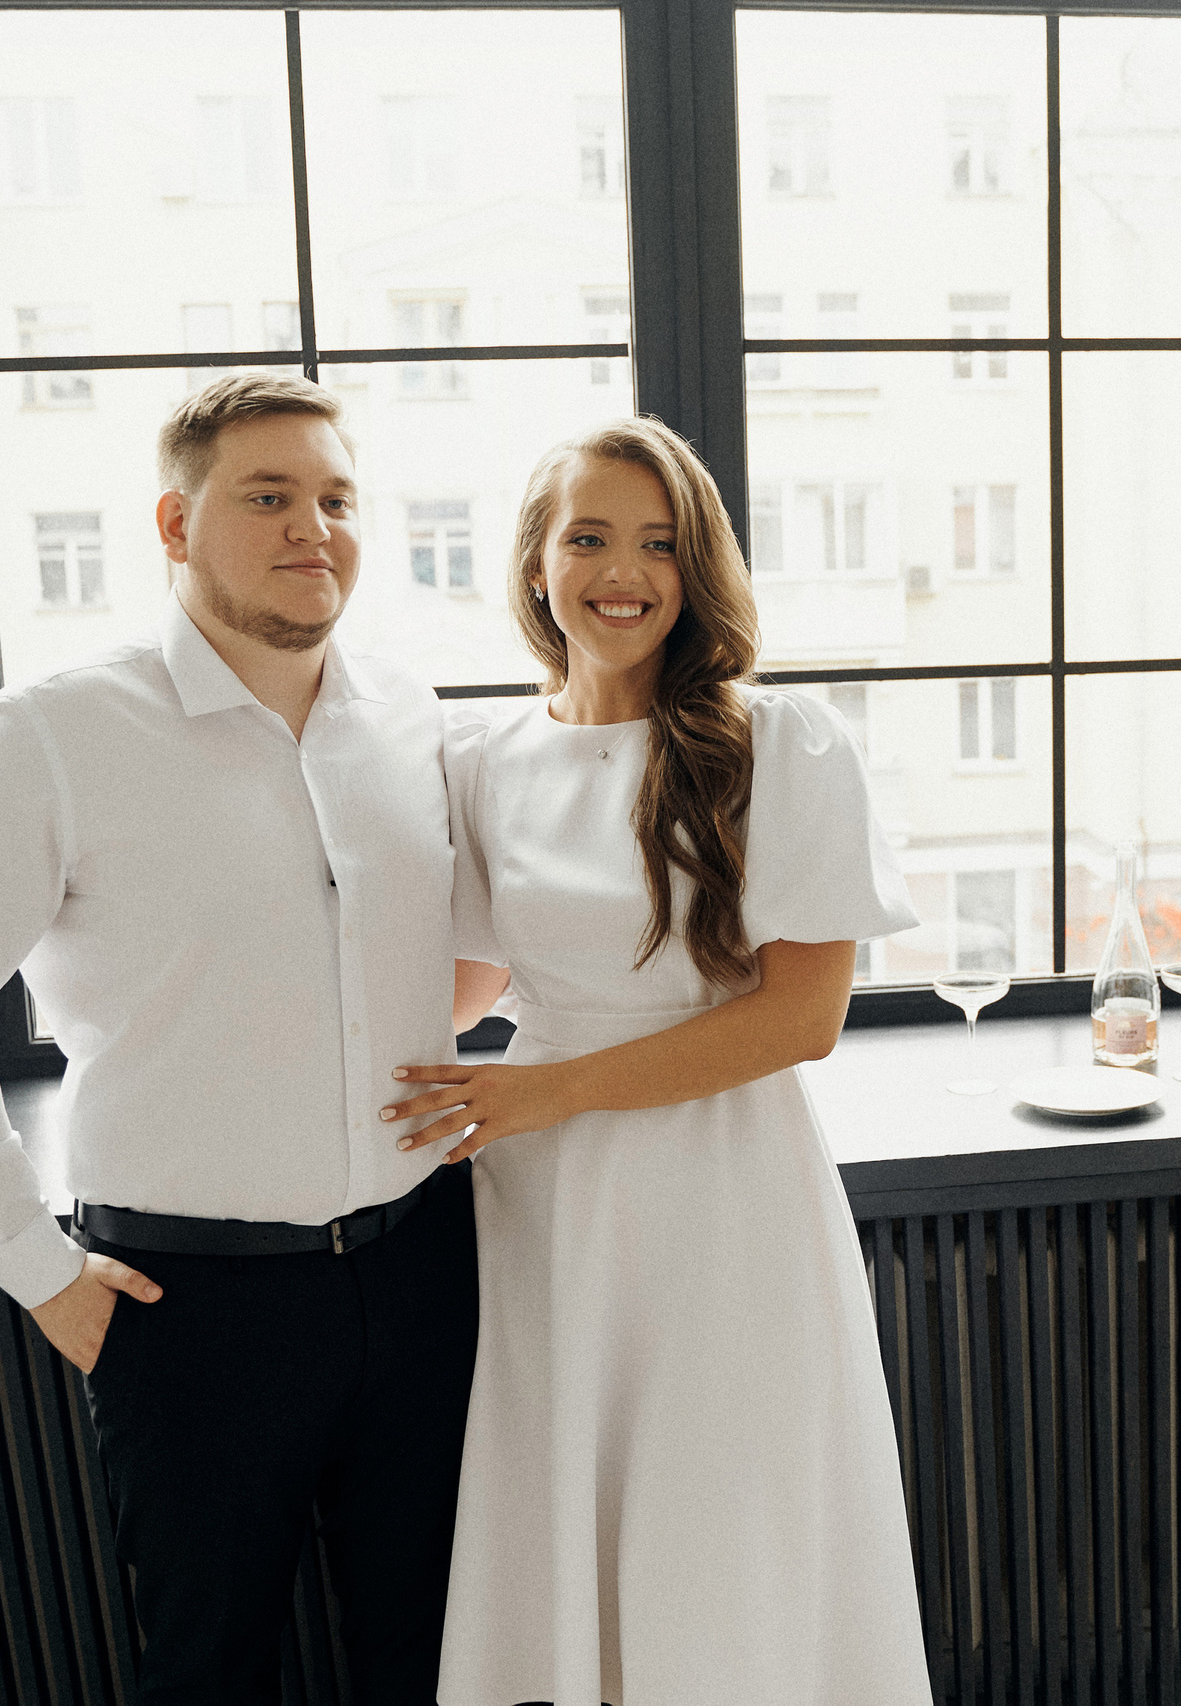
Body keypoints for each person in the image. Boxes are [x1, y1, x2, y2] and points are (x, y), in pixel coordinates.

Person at [0, 374, 479, 1705]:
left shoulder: (413, 720)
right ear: (173, 525)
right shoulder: (54, 736)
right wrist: (39, 1271)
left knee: (439, 1659)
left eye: (337, 498)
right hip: (190, 1310)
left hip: (429, 1273)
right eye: (268, 495)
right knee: (208, 1673)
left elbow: (437, 961)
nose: (315, 525)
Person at [376, 417, 933, 1705]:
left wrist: (547, 1091)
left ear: (697, 572)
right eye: (588, 537)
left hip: (726, 1185)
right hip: (548, 1208)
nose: (622, 573)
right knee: (573, 1505)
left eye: (659, 544)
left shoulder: (774, 746)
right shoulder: (478, 762)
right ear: (534, 565)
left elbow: (802, 1018)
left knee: (725, 1519)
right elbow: (453, 991)